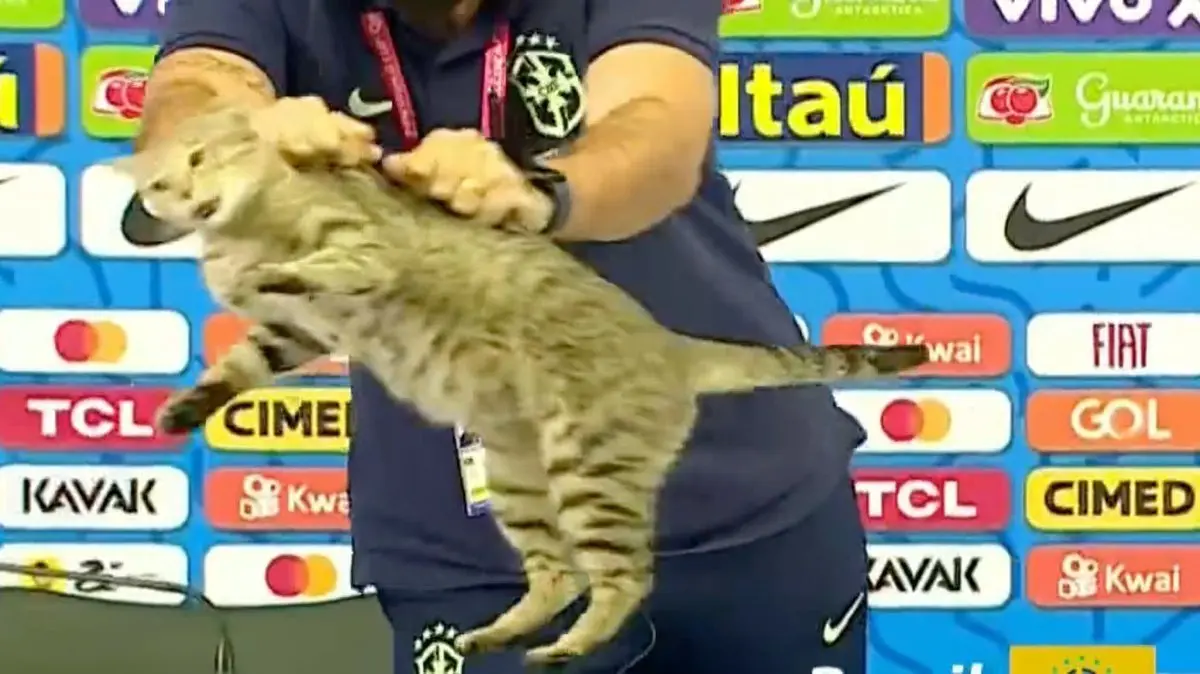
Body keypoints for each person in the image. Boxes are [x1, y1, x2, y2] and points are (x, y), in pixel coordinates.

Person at [141, 0, 870, 672]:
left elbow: (658, 124)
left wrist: (538, 194)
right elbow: (191, 88)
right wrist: (236, 137)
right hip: (466, 547)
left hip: (748, 506)